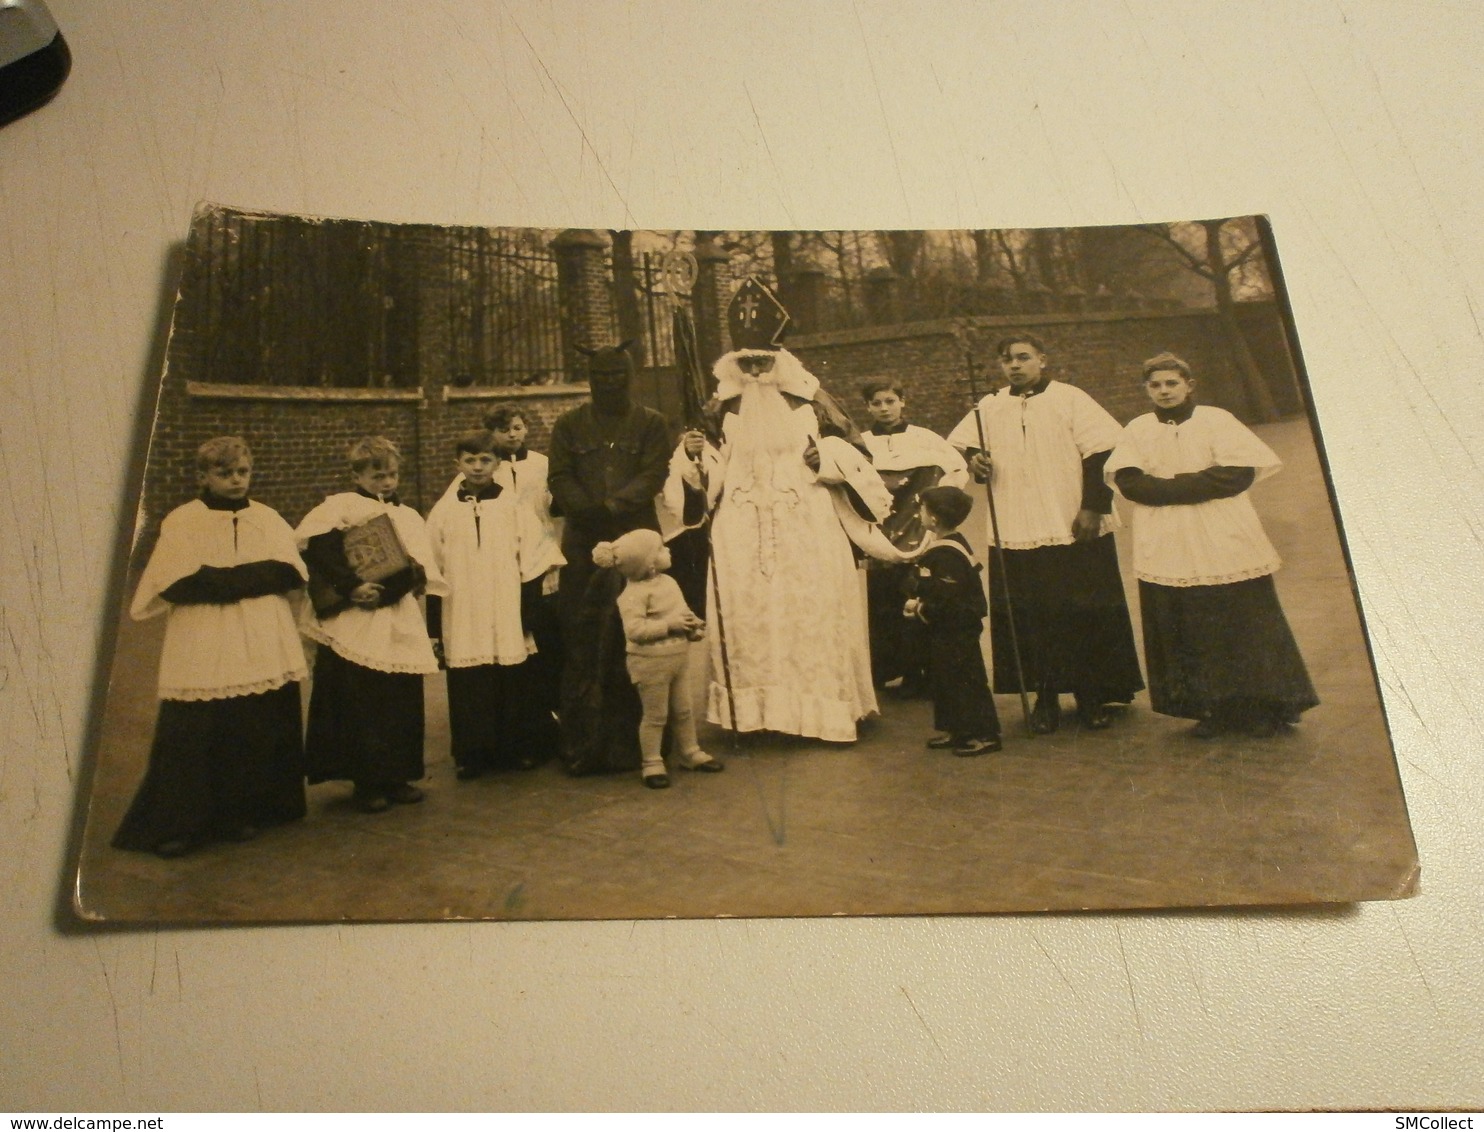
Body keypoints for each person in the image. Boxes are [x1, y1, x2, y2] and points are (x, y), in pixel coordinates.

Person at [672, 278, 901, 744]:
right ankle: (753, 716)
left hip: (807, 524)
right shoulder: (719, 407)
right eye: (748, 363)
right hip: (741, 529)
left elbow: (856, 450)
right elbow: (709, 469)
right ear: (736, 365)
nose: (756, 371)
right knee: (749, 618)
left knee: (810, 613)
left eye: (764, 361)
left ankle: (822, 714)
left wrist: (828, 459)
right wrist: (693, 456)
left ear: (779, 361)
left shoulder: (812, 399)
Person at [112, 437, 310, 858]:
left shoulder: (268, 518)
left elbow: (289, 572)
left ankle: (239, 812)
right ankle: (180, 822)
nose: (236, 480)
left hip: (260, 636)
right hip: (205, 637)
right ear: (203, 476)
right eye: (224, 473)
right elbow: (178, 582)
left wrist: (223, 579)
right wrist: (252, 577)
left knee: (251, 724)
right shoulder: (184, 520)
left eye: (242, 472)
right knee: (195, 730)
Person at [1105, 352, 1318, 737]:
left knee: (1242, 618)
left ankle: (1266, 705)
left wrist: (1170, 487)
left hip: (1222, 534)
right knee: (1189, 621)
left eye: (1172, 383)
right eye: (1155, 385)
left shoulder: (1217, 420)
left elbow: (1236, 475)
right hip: (1168, 539)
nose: (1164, 391)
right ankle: (1212, 708)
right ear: (1146, 390)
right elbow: (1130, 482)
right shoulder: (1137, 428)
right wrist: (1191, 486)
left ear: (1189, 385)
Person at [947, 334, 1144, 733]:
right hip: (1018, 524)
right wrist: (975, 460)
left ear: (1042, 360)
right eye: (1007, 359)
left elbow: (1103, 452)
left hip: (1071, 520)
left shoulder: (1070, 398)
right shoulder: (989, 405)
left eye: (1023, 357)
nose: (1015, 365)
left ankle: (1091, 694)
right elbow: (962, 444)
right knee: (1030, 615)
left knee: (1081, 609)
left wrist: (1094, 506)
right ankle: (1045, 697)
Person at [296, 436, 448, 813]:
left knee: (400, 694)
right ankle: (365, 780)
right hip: (356, 616)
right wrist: (353, 587)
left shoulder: (409, 515)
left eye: (392, 474)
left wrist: (398, 587)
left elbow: (420, 565)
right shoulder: (341, 507)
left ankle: (397, 774)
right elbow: (321, 551)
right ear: (357, 474)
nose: (386, 482)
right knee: (361, 696)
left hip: (395, 613)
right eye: (377, 475)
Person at [547, 341, 673, 774]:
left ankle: (645, 742)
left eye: (617, 375)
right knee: (584, 639)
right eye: (600, 377)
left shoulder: (653, 424)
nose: (609, 384)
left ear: (631, 377)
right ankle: (584, 743)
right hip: (583, 547)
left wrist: (612, 510)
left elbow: (653, 474)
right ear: (590, 380)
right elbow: (559, 475)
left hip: (639, 544)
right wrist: (588, 514)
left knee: (641, 637)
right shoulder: (568, 425)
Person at [426, 429, 559, 778]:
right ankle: (473, 754)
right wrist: (435, 624)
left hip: (504, 604)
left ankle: (515, 750)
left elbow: (533, 558)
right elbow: (432, 566)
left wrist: (527, 612)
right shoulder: (444, 511)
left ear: (497, 464)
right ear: (458, 463)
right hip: (464, 607)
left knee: (512, 676)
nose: (477, 467)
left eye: (485, 460)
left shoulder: (513, 506)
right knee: (469, 680)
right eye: (470, 460)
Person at [858, 380, 969, 697]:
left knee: (918, 594)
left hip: (919, 527)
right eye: (876, 403)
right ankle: (884, 669)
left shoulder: (926, 439)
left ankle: (919, 672)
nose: (884, 408)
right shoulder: (861, 443)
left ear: (903, 402)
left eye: (890, 401)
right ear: (868, 407)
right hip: (879, 532)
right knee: (883, 599)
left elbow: (956, 472)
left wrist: (935, 511)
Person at [594, 528, 724, 788]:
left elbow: (682, 611)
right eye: (661, 549)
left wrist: (692, 626)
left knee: (684, 710)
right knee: (655, 715)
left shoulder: (669, 583)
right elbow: (635, 631)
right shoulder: (632, 595)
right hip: (649, 663)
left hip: (678, 659)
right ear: (649, 564)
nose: (668, 551)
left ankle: (690, 752)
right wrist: (670, 625)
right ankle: (651, 762)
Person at [903, 485, 1002, 756]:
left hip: (958, 627)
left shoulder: (948, 554)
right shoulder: (947, 545)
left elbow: (947, 595)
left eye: (922, 509)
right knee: (945, 679)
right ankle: (957, 729)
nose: (920, 514)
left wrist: (920, 604)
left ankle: (985, 733)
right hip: (946, 627)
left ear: (934, 518)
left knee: (966, 680)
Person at [483, 403, 565, 720]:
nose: (512, 434)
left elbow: (553, 506)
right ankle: (524, 706)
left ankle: (553, 703)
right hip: (504, 555)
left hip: (542, 550)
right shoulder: (489, 467)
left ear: (526, 428)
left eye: (517, 427)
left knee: (547, 626)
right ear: (492, 433)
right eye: (504, 429)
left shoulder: (542, 464)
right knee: (516, 625)